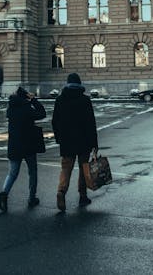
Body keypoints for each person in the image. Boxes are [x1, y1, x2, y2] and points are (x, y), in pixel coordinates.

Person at [51, 73, 98, 211]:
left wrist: (59, 138)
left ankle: (61, 191)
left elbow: (55, 121)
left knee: (66, 169)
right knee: (84, 169)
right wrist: (94, 143)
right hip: (84, 141)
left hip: (66, 141)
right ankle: (82, 196)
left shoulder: (60, 100)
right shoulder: (85, 100)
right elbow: (91, 123)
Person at [0, 87, 46, 212]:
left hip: (14, 145)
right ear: (25, 97)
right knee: (32, 172)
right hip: (28, 145)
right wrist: (33, 100)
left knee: (12, 173)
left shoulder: (11, 109)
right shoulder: (27, 108)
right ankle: (31, 198)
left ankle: (4, 193)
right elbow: (42, 113)